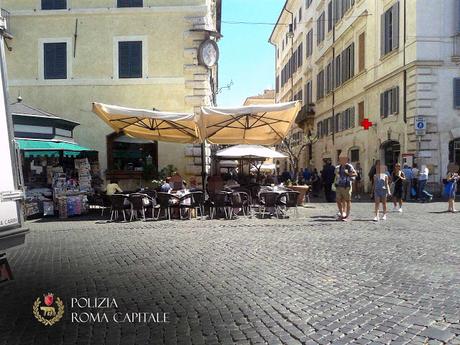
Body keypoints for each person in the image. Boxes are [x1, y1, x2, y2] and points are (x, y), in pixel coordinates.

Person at [334, 155, 357, 221]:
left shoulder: (349, 166)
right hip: (339, 185)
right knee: (338, 200)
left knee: (347, 201)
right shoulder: (339, 167)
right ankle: (341, 214)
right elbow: (337, 176)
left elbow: (355, 174)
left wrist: (348, 173)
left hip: (347, 186)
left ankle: (347, 216)